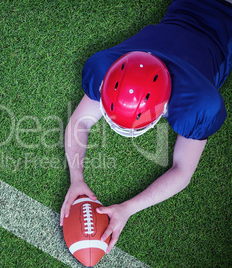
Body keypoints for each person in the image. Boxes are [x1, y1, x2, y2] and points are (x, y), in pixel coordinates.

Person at [60, 0, 231, 254]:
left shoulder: (197, 105)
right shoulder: (107, 71)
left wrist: (128, 208)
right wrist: (76, 179)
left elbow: (183, 171)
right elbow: (80, 122)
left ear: (165, 107)